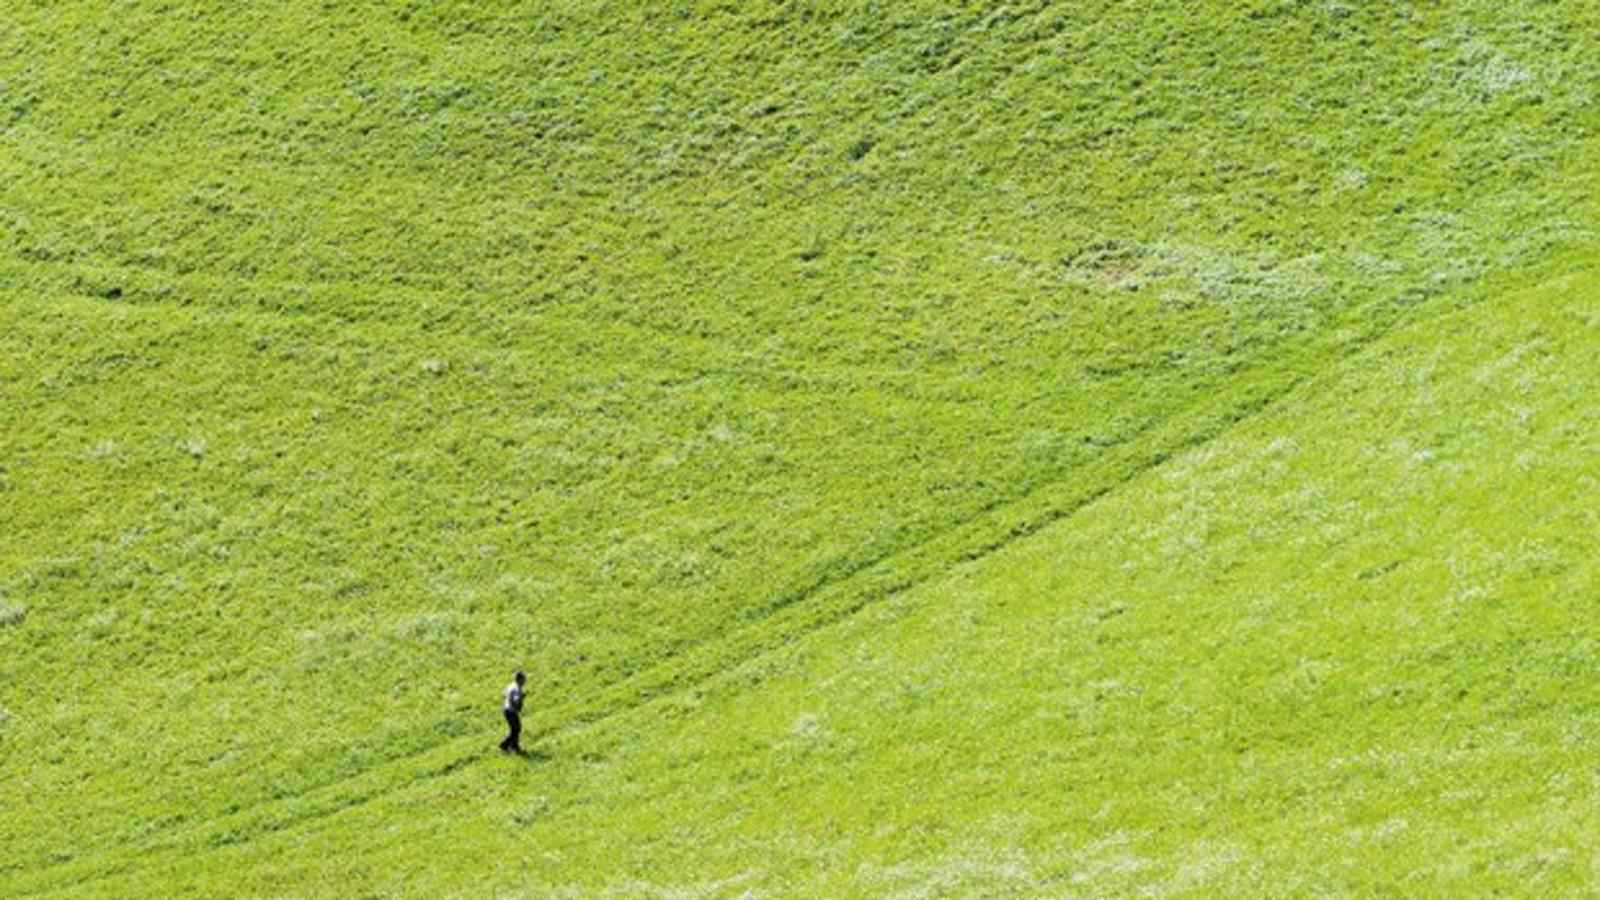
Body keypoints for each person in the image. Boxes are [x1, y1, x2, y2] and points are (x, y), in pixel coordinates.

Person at [499, 669, 526, 753]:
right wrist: (522, 697)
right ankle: (505, 744)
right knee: (516, 729)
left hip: (506, 709)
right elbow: (516, 700)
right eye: (524, 679)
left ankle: (514, 746)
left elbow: (504, 693)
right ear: (520, 679)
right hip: (511, 711)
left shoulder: (511, 685)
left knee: (516, 728)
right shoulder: (517, 689)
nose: (525, 681)